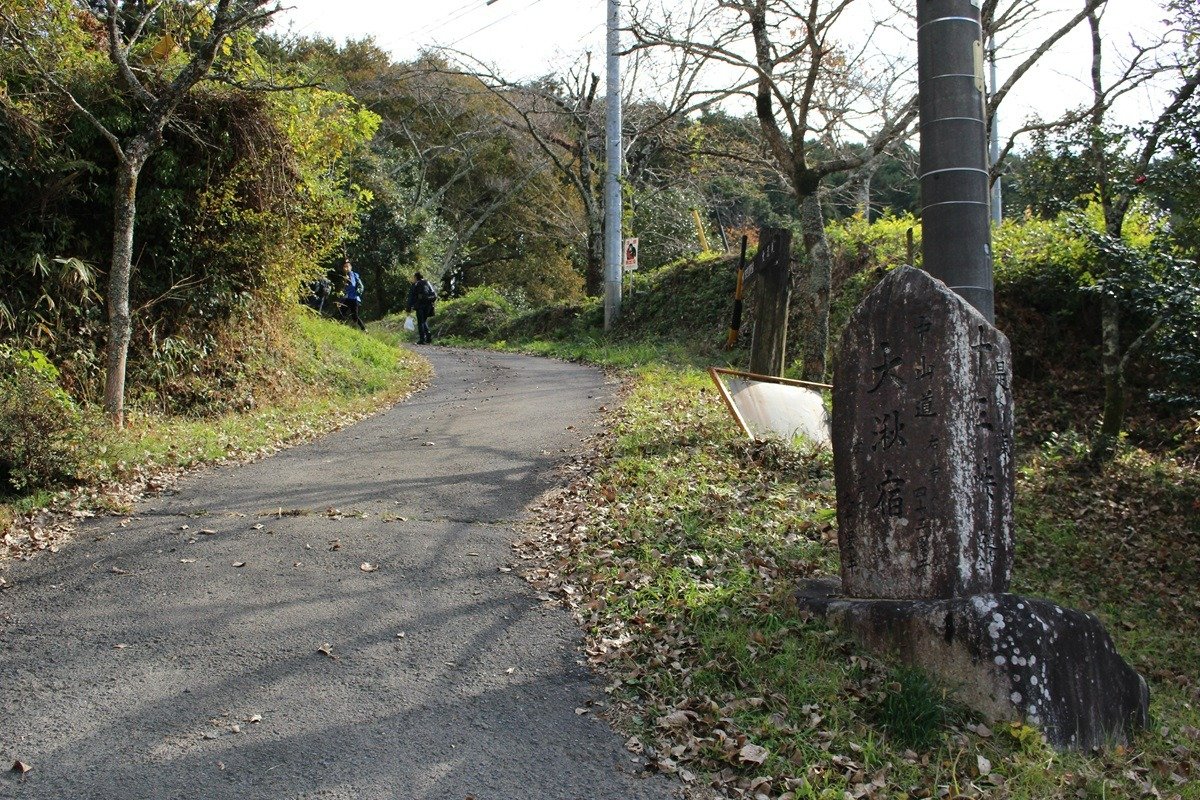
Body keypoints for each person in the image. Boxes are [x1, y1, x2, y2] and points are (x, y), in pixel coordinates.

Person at [406, 271, 438, 344]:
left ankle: (422, 339)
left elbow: (411, 297)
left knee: (420, 322)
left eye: (414, 277)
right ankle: (428, 336)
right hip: (429, 305)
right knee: (423, 321)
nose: (413, 278)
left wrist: (408, 308)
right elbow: (434, 294)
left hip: (420, 305)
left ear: (416, 277)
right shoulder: (428, 283)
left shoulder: (415, 284)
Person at [340, 259, 366, 331]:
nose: (345, 268)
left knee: (355, 316)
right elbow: (344, 288)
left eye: (347, 266)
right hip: (347, 298)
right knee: (341, 312)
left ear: (350, 267)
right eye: (344, 267)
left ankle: (364, 329)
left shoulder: (352, 274)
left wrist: (347, 280)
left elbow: (353, 284)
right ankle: (339, 326)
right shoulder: (345, 276)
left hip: (354, 298)